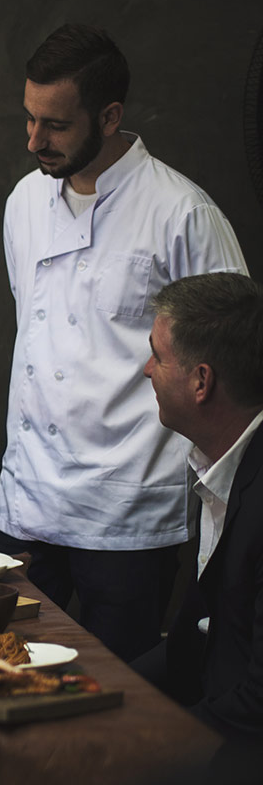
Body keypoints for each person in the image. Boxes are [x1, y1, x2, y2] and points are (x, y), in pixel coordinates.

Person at [0, 24, 248, 663]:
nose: (34, 141)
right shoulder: (24, 202)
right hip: (26, 501)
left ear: (109, 116)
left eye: (55, 125)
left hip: (128, 511)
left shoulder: (181, 213)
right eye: (29, 120)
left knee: (118, 698)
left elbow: (240, 357)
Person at [135, 272, 263, 778]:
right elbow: (193, 638)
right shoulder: (218, 464)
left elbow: (257, 705)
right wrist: (96, 696)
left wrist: (131, 750)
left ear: (201, 381)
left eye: (158, 357)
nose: (146, 370)